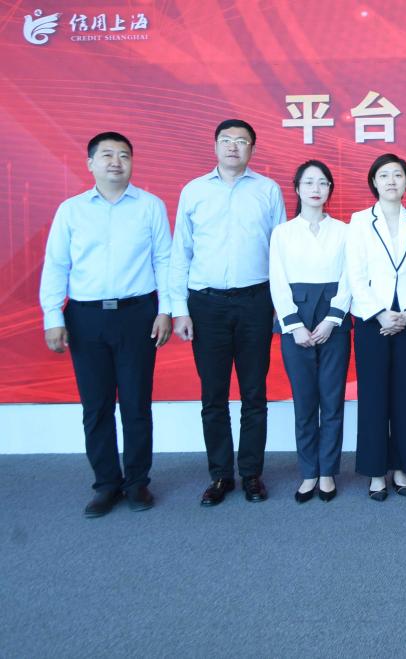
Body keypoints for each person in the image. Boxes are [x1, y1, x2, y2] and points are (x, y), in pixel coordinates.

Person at [39, 131, 172, 517]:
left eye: (124, 155)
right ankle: (106, 484)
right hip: (86, 317)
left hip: (137, 314)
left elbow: (164, 260)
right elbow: (57, 264)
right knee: (96, 406)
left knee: (136, 403)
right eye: (108, 155)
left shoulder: (150, 206)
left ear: (132, 163)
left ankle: (137, 482)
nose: (116, 162)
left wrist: (166, 309)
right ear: (90, 164)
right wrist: (52, 316)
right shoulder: (71, 210)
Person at [170, 119, 284, 505]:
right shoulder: (194, 191)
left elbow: (280, 252)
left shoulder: (267, 190)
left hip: (256, 301)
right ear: (215, 146)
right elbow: (181, 252)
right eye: (226, 140)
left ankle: (251, 474)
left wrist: (279, 305)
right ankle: (220, 475)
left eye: (241, 141)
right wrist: (180, 309)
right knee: (213, 395)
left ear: (253, 148)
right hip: (206, 304)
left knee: (254, 392)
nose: (233, 146)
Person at [345, 154, 406, 501]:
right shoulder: (359, 221)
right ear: (374, 182)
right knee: (374, 396)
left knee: (405, 395)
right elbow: (355, 274)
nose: (391, 181)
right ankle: (376, 471)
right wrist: (380, 313)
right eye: (384, 175)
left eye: (398, 175)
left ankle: (401, 467)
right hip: (372, 321)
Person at [269, 160, 351, 503]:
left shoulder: (345, 231)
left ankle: (328, 471)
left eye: (322, 183)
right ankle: (308, 472)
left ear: (330, 189)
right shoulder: (283, 232)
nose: (316, 189)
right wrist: (294, 325)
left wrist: (332, 319)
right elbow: (277, 280)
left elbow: (350, 277)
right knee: (304, 402)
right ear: (297, 188)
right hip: (296, 322)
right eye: (308, 182)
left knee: (332, 400)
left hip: (334, 321)